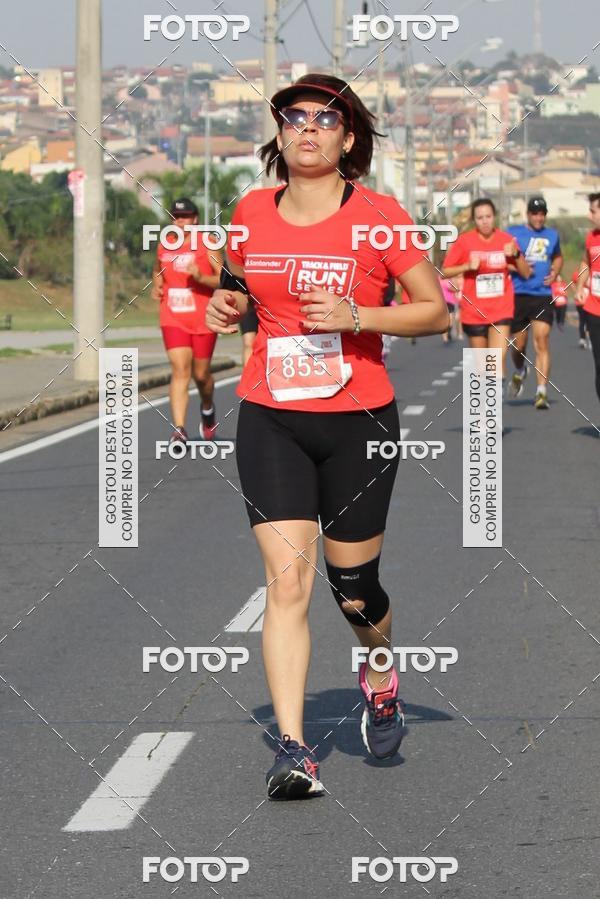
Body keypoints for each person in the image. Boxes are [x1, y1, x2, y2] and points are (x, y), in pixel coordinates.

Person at [206, 73, 448, 800]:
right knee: (287, 582)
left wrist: (358, 317)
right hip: (271, 415)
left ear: (348, 137)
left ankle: (378, 670)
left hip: (359, 422)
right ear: (281, 134)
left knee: (352, 589)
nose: (308, 127)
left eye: (326, 117)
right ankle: (293, 746)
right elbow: (236, 284)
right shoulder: (250, 211)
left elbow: (436, 310)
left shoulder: (379, 215)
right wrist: (226, 303)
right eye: (294, 116)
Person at [152, 198, 223, 443]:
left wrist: (200, 276)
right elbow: (157, 269)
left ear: (195, 219)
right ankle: (180, 429)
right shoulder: (165, 244)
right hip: (172, 316)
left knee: (201, 375)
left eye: (185, 216)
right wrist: (157, 285)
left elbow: (221, 280)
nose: (180, 221)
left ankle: (207, 407)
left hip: (203, 319)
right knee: (180, 369)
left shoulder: (208, 243)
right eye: (176, 217)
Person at [441, 198, 530, 390]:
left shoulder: (506, 240)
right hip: (474, 313)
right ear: (474, 220)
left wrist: (515, 255)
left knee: (495, 365)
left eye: (488, 216)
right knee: (481, 369)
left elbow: (525, 273)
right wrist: (467, 266)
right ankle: (482, 419)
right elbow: (445, 270)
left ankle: (492, 416)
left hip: (501, 311)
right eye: (480, 218)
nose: (485, 221)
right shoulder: (465, 242)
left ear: (494, 217)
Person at [506, 197, 563, 410]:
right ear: (528, 214)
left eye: (542, 214)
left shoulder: (552, 235)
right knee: (518, 346)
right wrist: (515, 267)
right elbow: (501, 259)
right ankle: (521, 371)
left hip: (542, 294)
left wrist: (555, 271)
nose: (539, 218)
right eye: (535, 213)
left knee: (542, 340)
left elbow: (558, 257)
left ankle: (541, 392)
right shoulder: (513, 233)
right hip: (518, 295)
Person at [575, 192, 600, 404]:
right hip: (595, 310)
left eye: (593, 211)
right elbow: (585, 262)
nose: (589, 215)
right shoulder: (591, 238)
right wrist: (580, 286)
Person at [572, 265, 590, 349]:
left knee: (590, 321)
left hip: (590, 302)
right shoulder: (577, 274)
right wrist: (577, 292)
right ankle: (582, 339)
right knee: (582, 320)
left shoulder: (593, 273)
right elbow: (572, 284)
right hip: (580, 302)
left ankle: (590, 338)